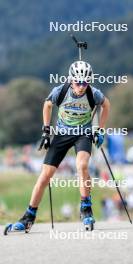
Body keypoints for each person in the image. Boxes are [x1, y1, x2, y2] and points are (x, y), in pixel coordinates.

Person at [11, 60, 110, 231]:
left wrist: (100, 130)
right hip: (62, 134)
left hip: (83, 134)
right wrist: (46, 130)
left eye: (85, 82)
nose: (81, 86)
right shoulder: (60, 91)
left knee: (82, 165)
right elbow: (47, 104)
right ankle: (29, 216)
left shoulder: (93, 94)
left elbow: (106, 105)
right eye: (78, 82)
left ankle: (86, 209)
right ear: (71, 80)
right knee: (45, 175)